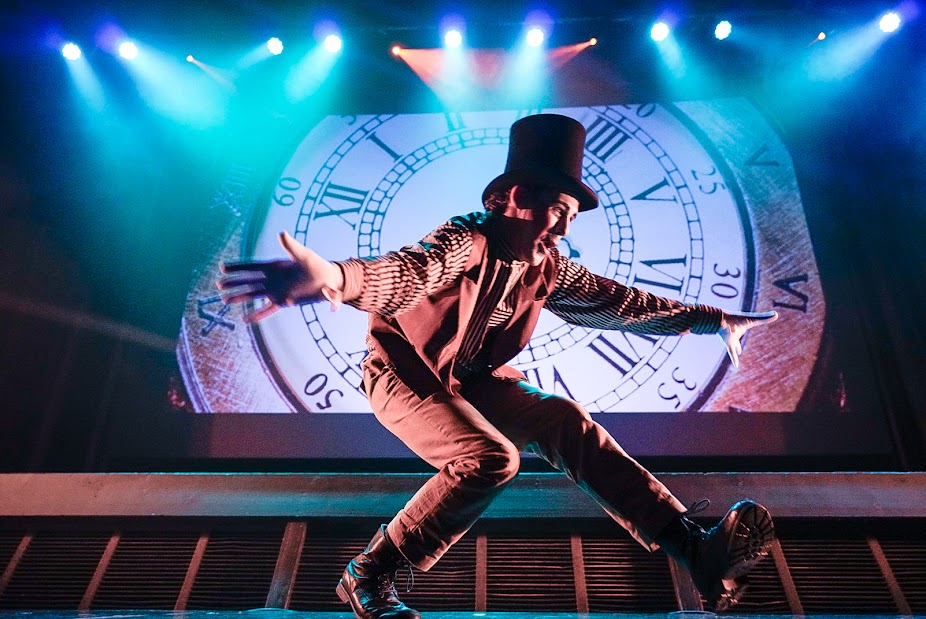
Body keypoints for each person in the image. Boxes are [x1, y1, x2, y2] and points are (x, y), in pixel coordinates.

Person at [218, 114, 779, 618]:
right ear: (513, 198)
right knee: (490, 458)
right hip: (406, 377)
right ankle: (370, 571)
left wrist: (713, 321)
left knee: (565, 418)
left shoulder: (549, 267)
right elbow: (409, 273)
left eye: (569, 217)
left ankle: (695, 549)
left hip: (477, 385)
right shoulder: (465, 241)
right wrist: (336, 279)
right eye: (557, 212)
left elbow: (621, 303)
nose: (562, 230)